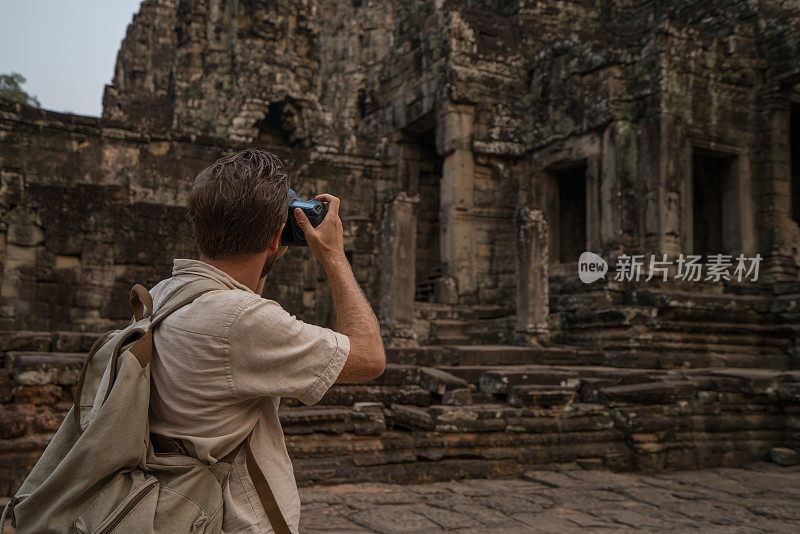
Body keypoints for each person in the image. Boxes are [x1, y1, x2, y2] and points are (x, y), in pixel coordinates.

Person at [146, 148, 386, 533]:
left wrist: (267, 248)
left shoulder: (162, 295)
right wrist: (334, 256)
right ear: (277, 238)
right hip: (232, 520)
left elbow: (237, 292)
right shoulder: (242, 322)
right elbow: (370, 358)